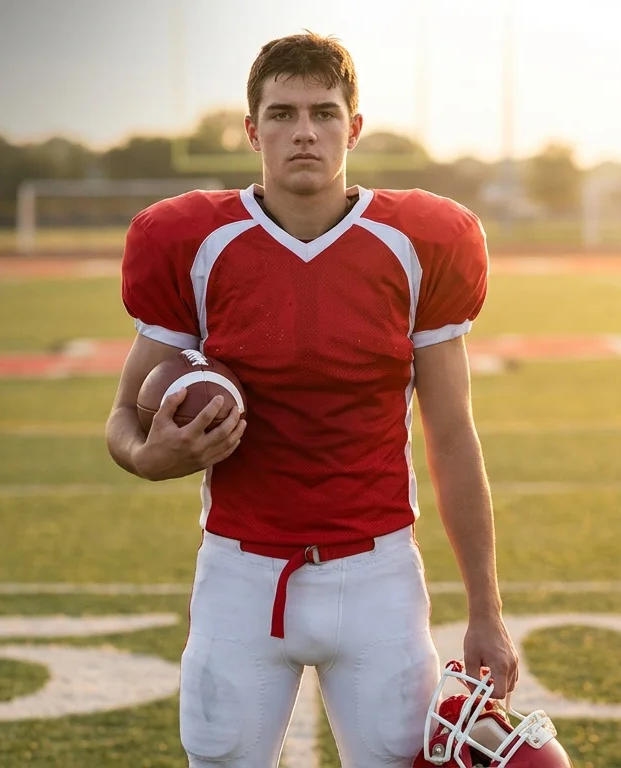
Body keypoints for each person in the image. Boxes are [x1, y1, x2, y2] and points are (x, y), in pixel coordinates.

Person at [105, 31, 518, 767]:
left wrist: (485, 612)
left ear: (353, 128)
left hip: (378, 577)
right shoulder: (193, 242)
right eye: (284, 113)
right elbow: (123, 418)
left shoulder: (417, 242)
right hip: (240, 573)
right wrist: (148, 456)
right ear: (251, 129)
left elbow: (453, 438)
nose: (305, 132)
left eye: (324, 113)